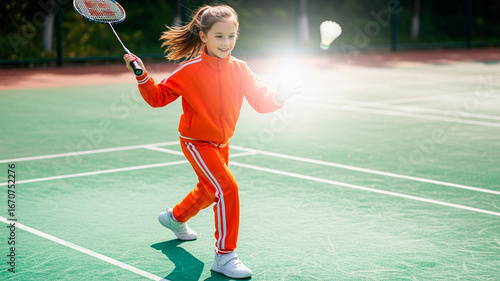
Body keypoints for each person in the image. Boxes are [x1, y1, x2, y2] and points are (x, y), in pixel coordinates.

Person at [124, 4, 300, 279]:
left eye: (231, 36)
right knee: (227, 188)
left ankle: (175, 217)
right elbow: (158, 98)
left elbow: (261, 102)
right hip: (196, 142)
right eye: (219, 36)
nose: (226, 42)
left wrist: (280, 96)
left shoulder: (241, 69)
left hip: (222, 143)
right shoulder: (190, 69)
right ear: (203, 36)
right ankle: (225, 256)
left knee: (208, 191)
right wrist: (142, 75)